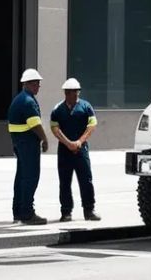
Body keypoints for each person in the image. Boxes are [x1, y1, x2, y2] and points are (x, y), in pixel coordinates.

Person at [50, 78, 100, 222]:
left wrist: (79, 142)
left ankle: (89, 210)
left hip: (81, 149)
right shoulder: (58, 109)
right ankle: (66, 212)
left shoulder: (86, 107)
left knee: (86, 180)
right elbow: (54, 128)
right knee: (65, 181)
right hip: (64, 151)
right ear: (66, 93)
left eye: (76, 92)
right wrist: (68, 143)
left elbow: (92, 126)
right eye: (71, 92)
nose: (75, 94)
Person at [8, 69, 49, 225]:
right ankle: (27, 213)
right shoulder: (28, 101)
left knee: (21, 178)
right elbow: (35, 124)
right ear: (29, 84)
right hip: (28, 144)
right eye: (37, 84)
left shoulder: (19, 99)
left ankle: (18, 211)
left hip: (20, 143)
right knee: (30, 177)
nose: (38, 87)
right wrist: (44, 139)